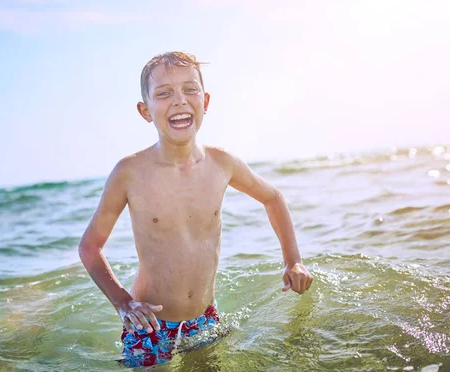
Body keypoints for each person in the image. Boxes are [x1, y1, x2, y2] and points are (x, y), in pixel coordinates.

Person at [78, 51, 313, 367]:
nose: (179, 101)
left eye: (190, 89)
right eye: (164, 93)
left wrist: (292, 261)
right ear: (145, 111)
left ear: (206, 101)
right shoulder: (129, 173)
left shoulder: (221, 163)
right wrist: (124, 304)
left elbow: (272, 198)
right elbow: (90, 247)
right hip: (149, 325)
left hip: (204, 317)